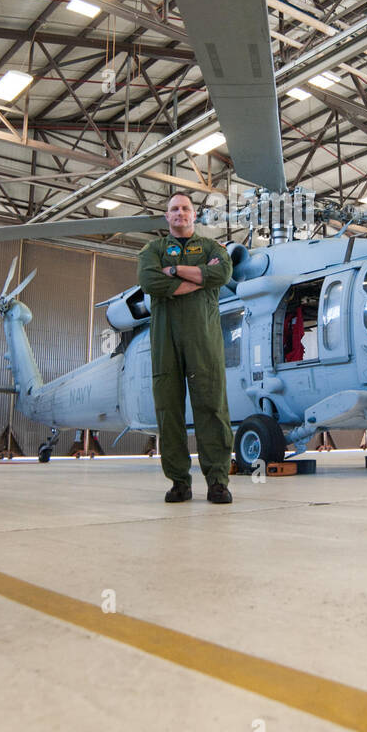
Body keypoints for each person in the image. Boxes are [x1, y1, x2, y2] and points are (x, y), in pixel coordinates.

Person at [137, 193, 235, 504]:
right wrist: (201, 278)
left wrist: (175, 271)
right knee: (169, 410)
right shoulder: (152, 250)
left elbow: (222, 274)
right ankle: (179, 481)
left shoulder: (211, 247)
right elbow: (150, 281)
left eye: (185, 209)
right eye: (174, 209)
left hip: (204, 338)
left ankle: (218, 481)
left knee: (212, 406)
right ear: (166, 217)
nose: (180, 213)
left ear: (194, 215)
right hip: (165, 340)